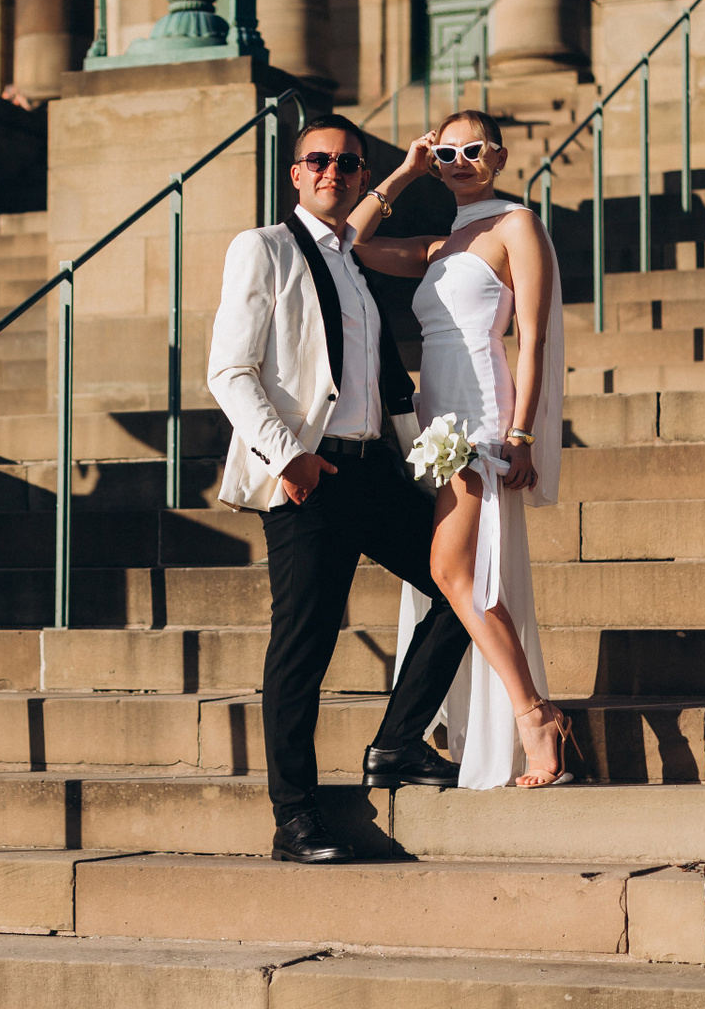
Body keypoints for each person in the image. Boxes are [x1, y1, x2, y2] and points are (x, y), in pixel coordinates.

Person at [207, 113, 474, 864]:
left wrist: (409, 172)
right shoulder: (263, 247)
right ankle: (294, 816)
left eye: (348, 163)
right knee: (304, 645)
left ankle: (396, 743)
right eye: (319, 160)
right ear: (295, 175)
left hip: (372, 469)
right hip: (308, 476)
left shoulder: (350, 258)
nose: (334, 171)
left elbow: (376, 371)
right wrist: (288, 456)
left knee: (462, 586)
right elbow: (229, 371)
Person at [348, 109, 573, 789]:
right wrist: (403, 172)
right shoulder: (437, 246)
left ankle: (534, 715)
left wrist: (522, 433)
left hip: (480, 417)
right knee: (456, 574)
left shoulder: (516, 226)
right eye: (445, 154)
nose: (459, 163)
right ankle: (513, 713)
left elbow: (532, 338)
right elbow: (349, 242)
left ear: (498, 156)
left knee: (450, 572)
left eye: (473, 150)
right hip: (433, 421)